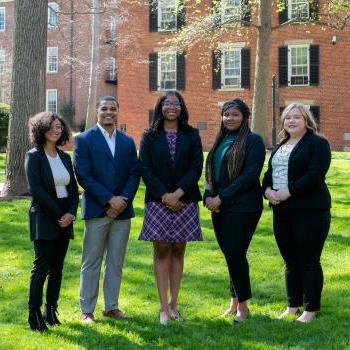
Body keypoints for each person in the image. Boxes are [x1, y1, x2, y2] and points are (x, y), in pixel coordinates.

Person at [262, 103, 331, 323]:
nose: (291, 121)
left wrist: (288, 191)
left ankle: (310, 310)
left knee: (308, 260)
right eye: (287, 118)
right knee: (290, 261)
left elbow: (315, 174)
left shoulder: (318, 143)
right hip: (281, 211)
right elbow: (270, 173)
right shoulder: (280, 145)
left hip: (310, 210)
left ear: (307, 121)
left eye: (297, 117)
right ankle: (292, 307)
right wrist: (267, 191)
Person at [139, 91, 203, 325]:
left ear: (182, 108)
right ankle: (163, 308)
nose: (171, 107)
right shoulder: (149, 135)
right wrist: (165, 195)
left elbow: (197, 167)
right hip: (158, 200)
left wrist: (178, 193)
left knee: (178, 250)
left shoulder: (192, 134)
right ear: (160, 107)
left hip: (185, 200)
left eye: (176, 104)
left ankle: (175, 305)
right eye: (167, 103)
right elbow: (145, 168)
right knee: (162, 249)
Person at [74, 96, 140, 323]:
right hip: (96, 209)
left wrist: (122, 200)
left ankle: (111, 307)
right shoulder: (84, 139)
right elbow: (83, 174)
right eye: (104, 109)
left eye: (113, 109)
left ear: (118, 111)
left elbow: (134, 173)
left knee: (115, 262)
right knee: (91, 262)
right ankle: (87, 310)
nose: (109, 112)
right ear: (97, 111)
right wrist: (108, 200)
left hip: (122, 211)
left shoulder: (127, 141)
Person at [204, 99, 265, 324]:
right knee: (230, 254)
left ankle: (243, 307)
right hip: (219, 206)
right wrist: (208, 196)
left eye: (235, 115)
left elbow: (250, 176)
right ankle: (233, 301)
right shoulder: (221, 140)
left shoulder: (253, 141)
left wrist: (222, 197)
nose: (230, 118)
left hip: (243, 206)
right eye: (226, 114)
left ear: (245, 117)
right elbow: (210, 171)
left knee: (235, 252)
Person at [25, 112, 79, 331]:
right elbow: (37, 190)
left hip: (66, 215)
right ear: (41, 130)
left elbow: (74, 189)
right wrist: (59, 215)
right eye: (51, 126)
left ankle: (51, 310)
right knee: (41, 268)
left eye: (59, 127)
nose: (56, 130)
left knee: (57, 268)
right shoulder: (34, 156)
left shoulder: (65, 157)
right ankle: (34, 313)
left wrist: (71, 213)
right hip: (45, 216)